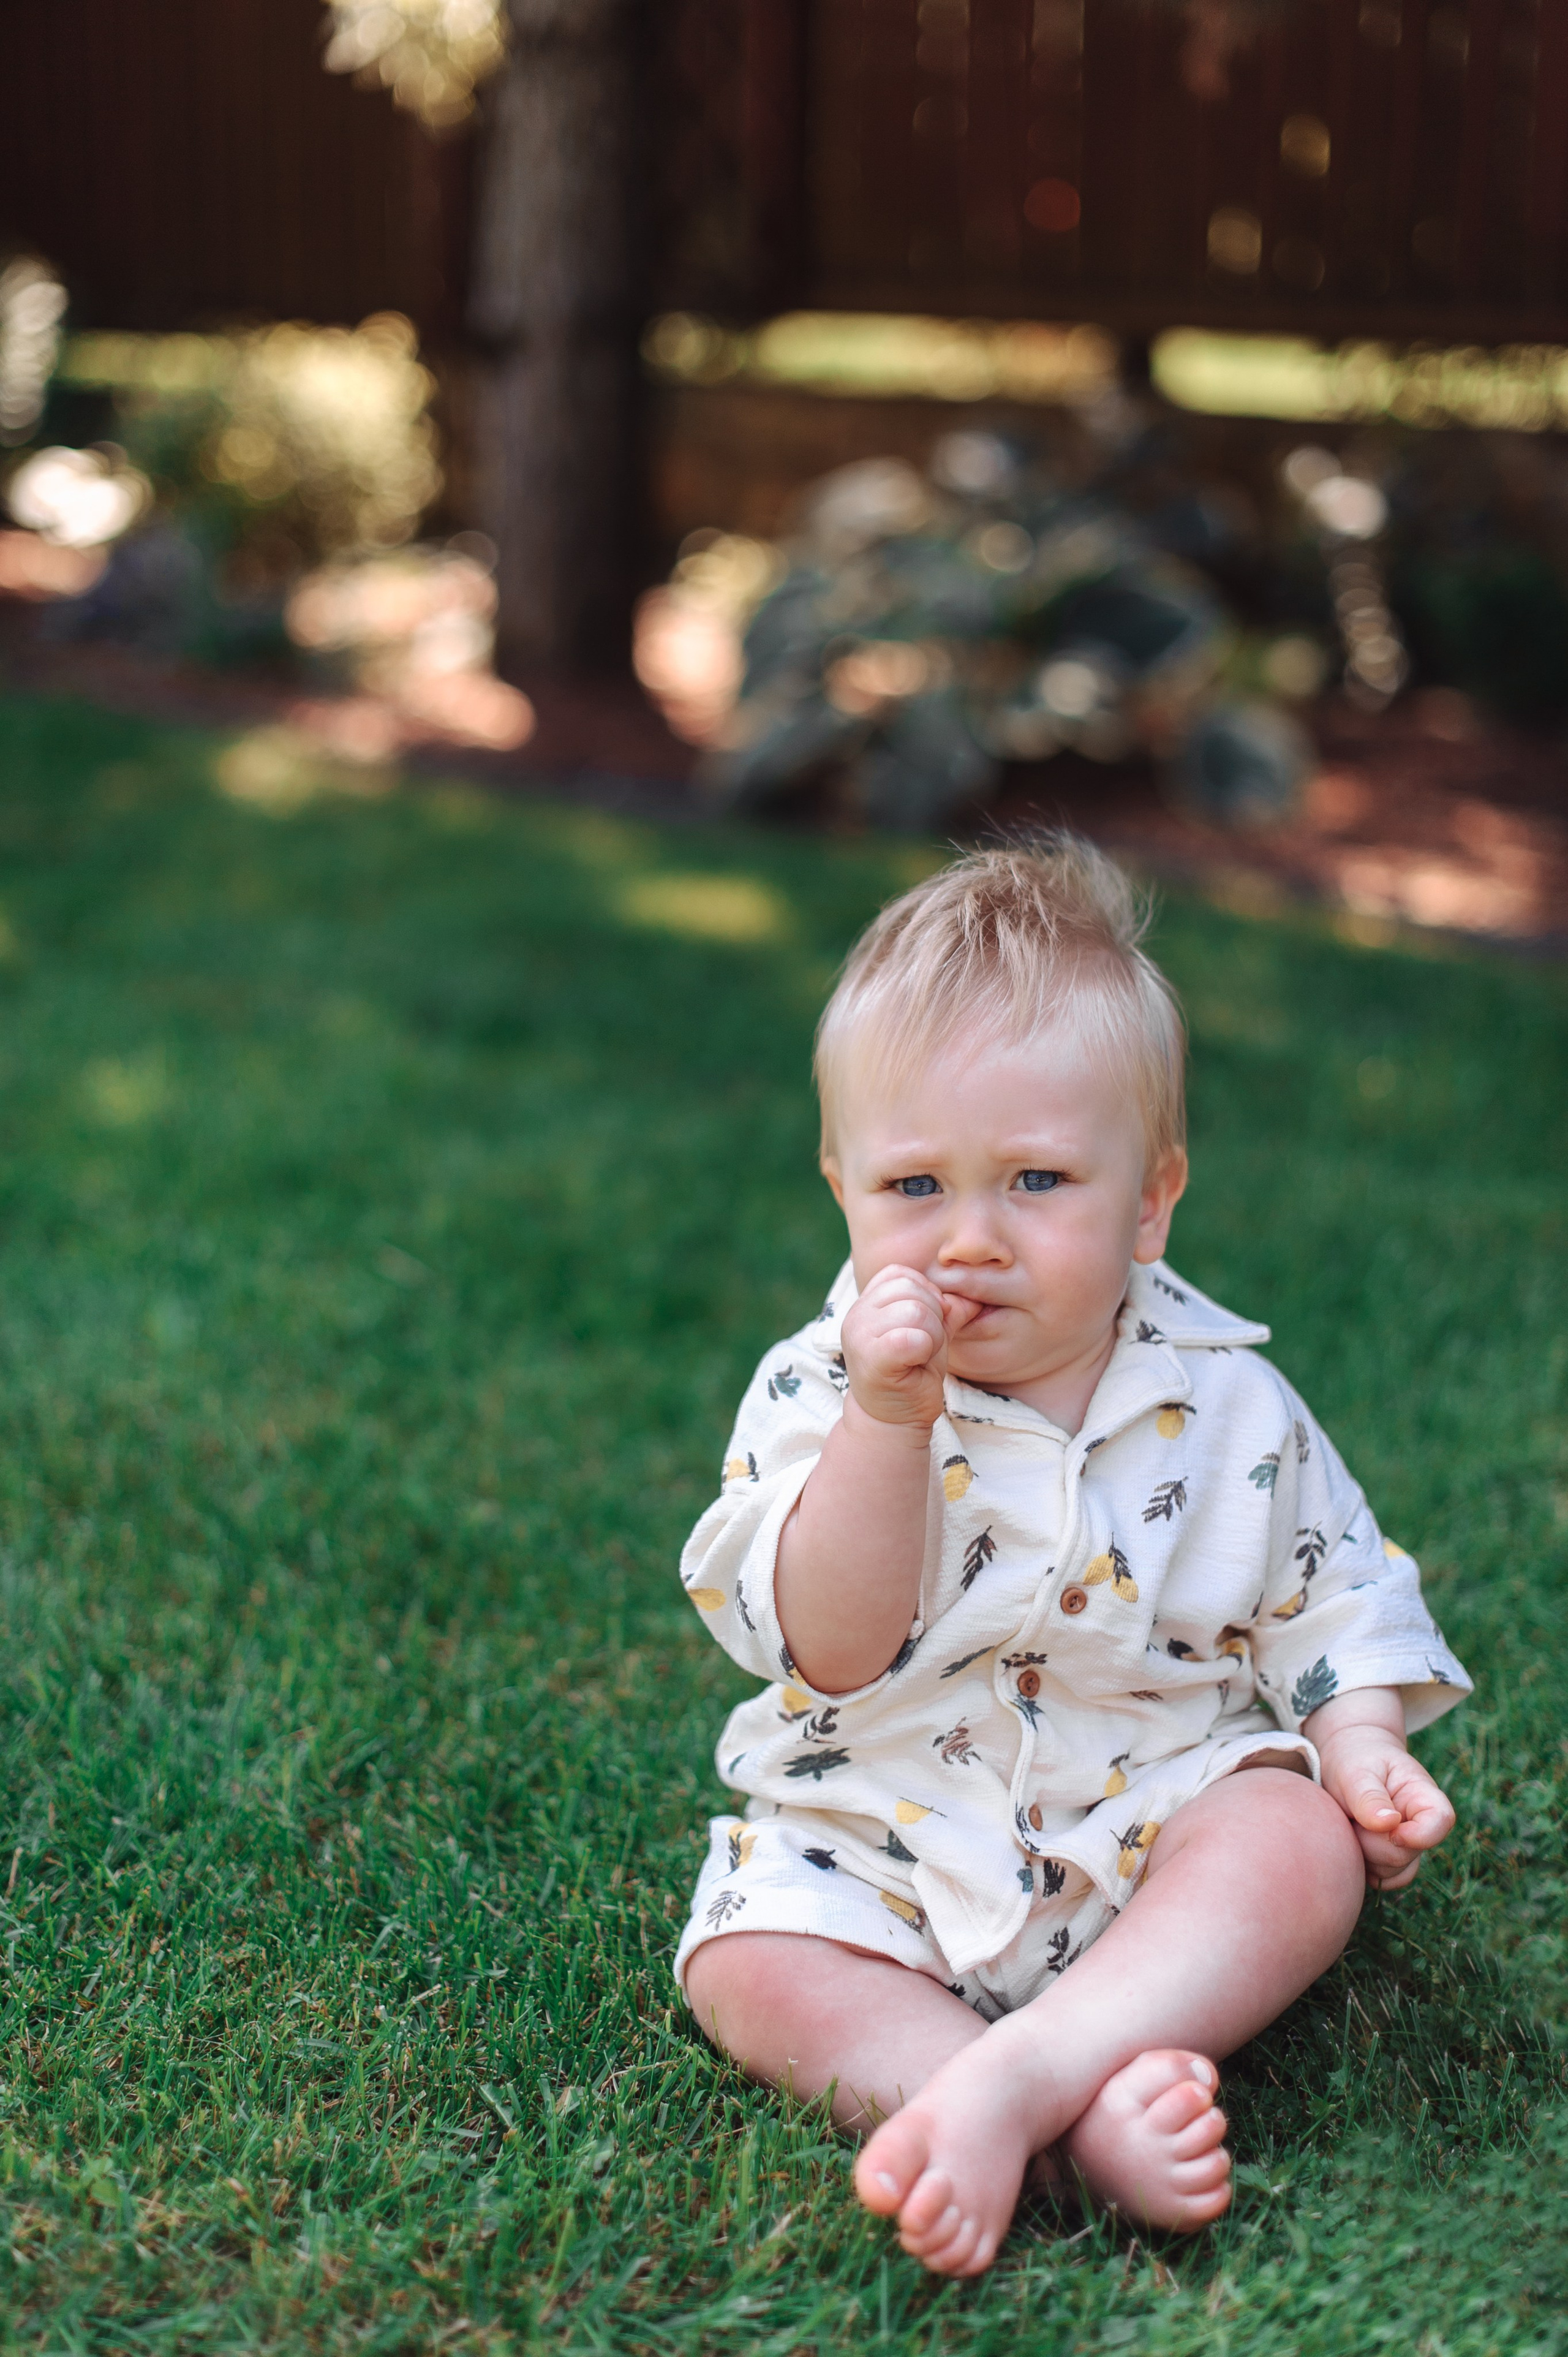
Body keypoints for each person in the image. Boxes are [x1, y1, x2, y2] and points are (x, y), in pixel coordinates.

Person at [674, 835, 1468, 2278]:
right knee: (743, 1955)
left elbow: (1331, 1586)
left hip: (1149, 1827)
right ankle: (1036, 2106)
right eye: (913, 1186)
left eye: (1034, 1178)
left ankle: (1025, 2074)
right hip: (884, 1834)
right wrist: (886, 1423)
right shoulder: (816, 1390)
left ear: (1149, 1200)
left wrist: (1354, 1738)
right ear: (839, 1186)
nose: (968, 1239)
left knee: (1293, 1844)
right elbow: (830, 1646)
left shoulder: (1223, 1397)